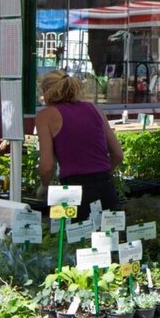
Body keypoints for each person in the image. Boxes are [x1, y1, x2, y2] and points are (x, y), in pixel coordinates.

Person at [35, 70, 123, 222]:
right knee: (109, 240)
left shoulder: (46, 116)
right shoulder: (95, 109)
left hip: (71, 189)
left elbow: (47, 165)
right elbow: (118, 154)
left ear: (46, 91)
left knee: (69, 240)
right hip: (106, 187)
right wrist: (103, 174)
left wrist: (44, 185)